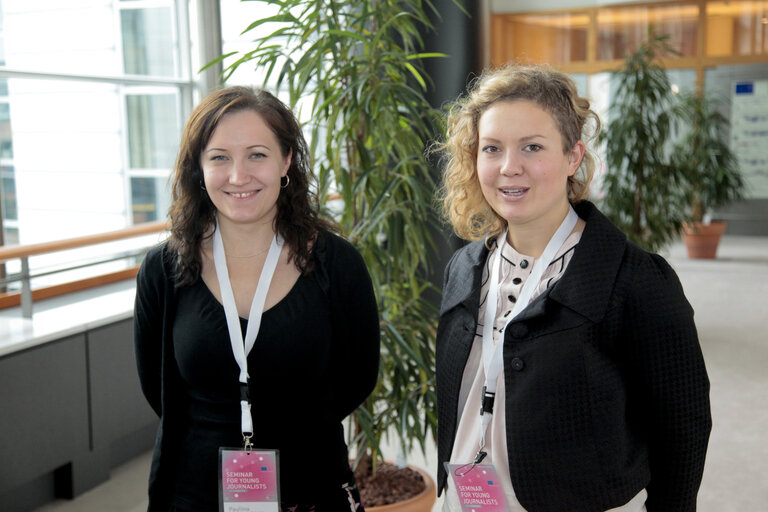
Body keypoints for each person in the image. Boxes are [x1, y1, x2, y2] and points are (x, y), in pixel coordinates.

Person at [434, 64, 711, 512]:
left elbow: (683, 425)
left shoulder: (633, 278)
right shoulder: (464, 268)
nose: (509, 167)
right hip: (468, 499)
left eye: (532, 147)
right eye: (492, 148)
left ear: (573, 157)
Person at [134, 86, 380, 512]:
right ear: (199, 167)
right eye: (219, 157)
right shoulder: (163, 270)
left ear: (286, 160)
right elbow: (158, 389)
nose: (238, 175)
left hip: (311, 489)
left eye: (257, 155)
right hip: (193, 494)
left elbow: (357, 377)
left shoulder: (337, 265)